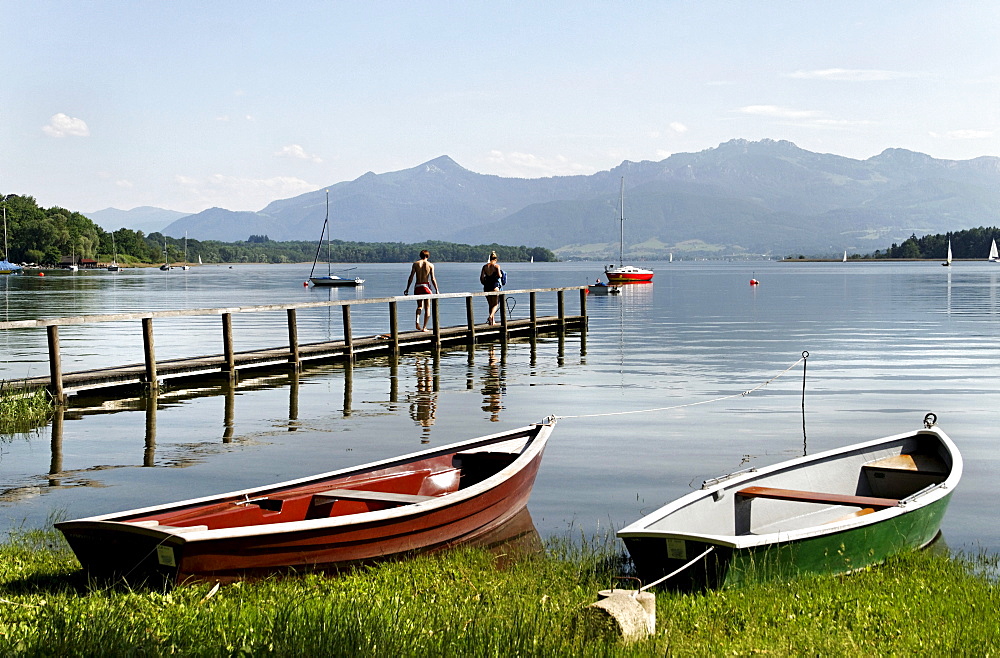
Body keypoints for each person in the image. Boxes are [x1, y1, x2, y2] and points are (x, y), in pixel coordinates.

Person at [404, 249, 439, 331]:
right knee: (427, 308)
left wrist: (407, 288)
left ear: (420, 256)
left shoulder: (415, 264)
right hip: (426, 286)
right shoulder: (430, 265)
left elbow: (411, 277)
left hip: (417, 286)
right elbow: (433, 278)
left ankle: (417, 321)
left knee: (420, 306)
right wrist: (436, 290)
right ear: (428, 256)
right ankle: (424, 327)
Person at [480, 251, 502, 325]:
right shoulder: (496, 266)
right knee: (495, 304)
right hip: (494, 286)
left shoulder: (485, 267)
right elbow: (499, 275)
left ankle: (492, 321)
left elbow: (482, 278)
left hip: (486, 287)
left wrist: (484, 283)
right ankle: (490, 316)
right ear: (495, 259)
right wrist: (501, 275)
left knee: (490, 305)